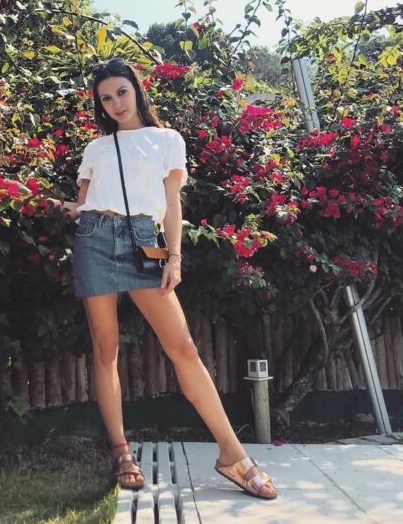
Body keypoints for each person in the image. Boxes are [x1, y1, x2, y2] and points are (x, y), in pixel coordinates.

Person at [61, 57, 277, 500]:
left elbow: (172, 204)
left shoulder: (167, 139)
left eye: (121, 92)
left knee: (184, 348)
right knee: (105, 349)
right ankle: (122, 452)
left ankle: (232, 453)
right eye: (106, 98)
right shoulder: (96, 148)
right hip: (95, 239)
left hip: (146, 240)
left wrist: (174, 256)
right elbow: (82, 205)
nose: (116, 103)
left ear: (137, 90)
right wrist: (58, 206)